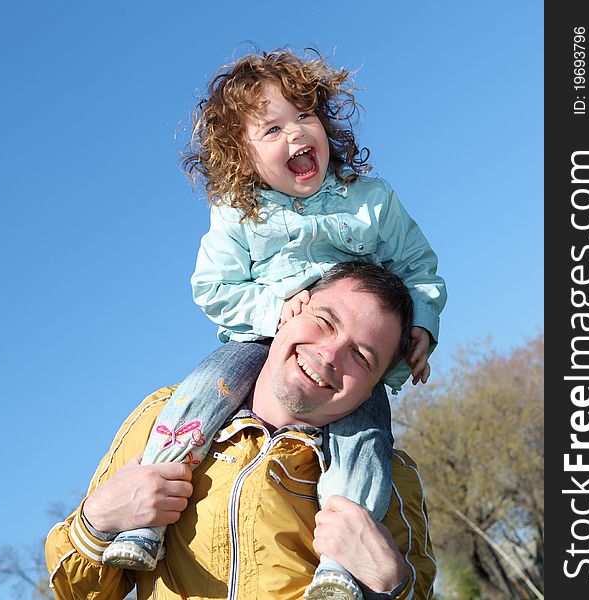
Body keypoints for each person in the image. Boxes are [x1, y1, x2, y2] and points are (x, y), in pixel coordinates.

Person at [100, 48, 446, 600]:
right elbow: (211, 288)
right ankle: (148, 518)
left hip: (354, 353)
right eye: (272, 128)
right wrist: (274, 309)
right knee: (198, 396)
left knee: (366, 440)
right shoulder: (239, 216)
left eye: (305, 116)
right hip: (256, 342)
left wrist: (422, 324)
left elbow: (416, 266)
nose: (295, 134)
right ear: (242, 157)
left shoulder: (370, 202)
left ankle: (341, 563)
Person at [45, 262, 437, 600]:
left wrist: (390, 584)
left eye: (361, 356)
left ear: (374, 389)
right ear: (290, 311)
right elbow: (76, 591)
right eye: (324, 321)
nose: (330, 355)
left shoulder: (388, 479)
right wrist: (95, 523)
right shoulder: (164, 420)